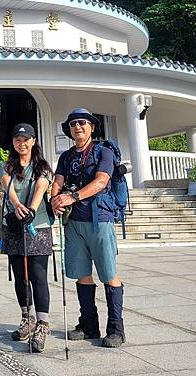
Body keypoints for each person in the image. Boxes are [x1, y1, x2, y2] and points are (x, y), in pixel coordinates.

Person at [51, 108, 126, 348]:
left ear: (92, 127)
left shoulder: (103, 152)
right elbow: (58, 181)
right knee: (82, 273)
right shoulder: (66, 156)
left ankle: (116, 329)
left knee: (108, 273)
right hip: (74, 222)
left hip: (99, 219)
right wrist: (55, 200)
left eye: (82, 123)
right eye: (73, 124)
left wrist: (71, 198)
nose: (77, 127)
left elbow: (102, 181)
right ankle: (89, 325)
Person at [0, 123, 54, 353]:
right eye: (17, 139)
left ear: (33, 141)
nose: (21, 143)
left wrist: (30, 209)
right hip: (13, 226)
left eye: (26, 139)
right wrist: (17, 206)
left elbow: (41, 187)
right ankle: (27, 318)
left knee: (38, 275)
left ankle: (42, 323)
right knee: (20, 276)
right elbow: (7, 187)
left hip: (37, 227)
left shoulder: (42, 166)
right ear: (13, 142)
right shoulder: (6, 166)